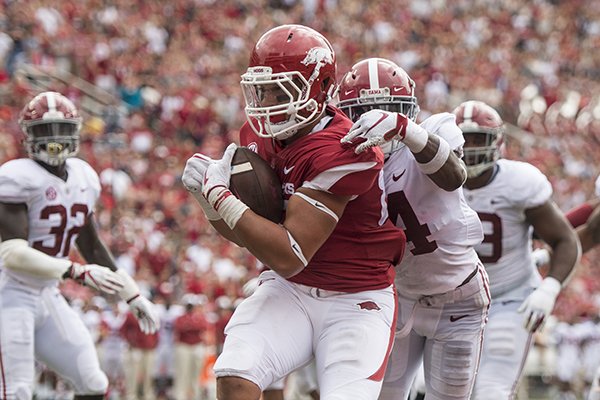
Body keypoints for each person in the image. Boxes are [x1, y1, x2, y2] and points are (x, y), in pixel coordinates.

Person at [182, 24, 407, 400]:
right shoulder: (259, 137)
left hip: (355, 298)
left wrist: (221, 196)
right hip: (289, 291)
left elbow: (290, 254)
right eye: (262, 88)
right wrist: (209, 203)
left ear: (319, 89)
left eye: (279, 89)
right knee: (236, 373)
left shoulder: (347, 149)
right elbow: (248, 236)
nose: (267, 100)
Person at [338, 58, 490, 400]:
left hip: (458, 298)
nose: (377, 117)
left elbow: (453, 176)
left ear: (408, 110)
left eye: (389, 108)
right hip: (395, 298)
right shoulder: (340, 161)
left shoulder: (434, 128)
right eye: (363, 111)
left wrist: (406, 130)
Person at [0, 91, 159, 399]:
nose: (54, 138)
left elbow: (92, 245)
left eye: (61, 128)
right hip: (9, 292)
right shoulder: (15, 177)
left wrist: (131, 294)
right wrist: (77, 272)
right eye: (45, 130)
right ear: (28, 135)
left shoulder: (83, 177)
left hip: (47, 292)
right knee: (15, 390)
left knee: (94, 383)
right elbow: (12, 254)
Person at [451, 100, 581, 399]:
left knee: (491, 390)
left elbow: (565, 239)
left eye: (477, 139)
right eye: (463, 139)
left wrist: (548, 289)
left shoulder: (518, 181)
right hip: (450, 302)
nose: (469, 148)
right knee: (438, 390)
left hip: (507, 298)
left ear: (496, 142)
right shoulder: (431, 179)